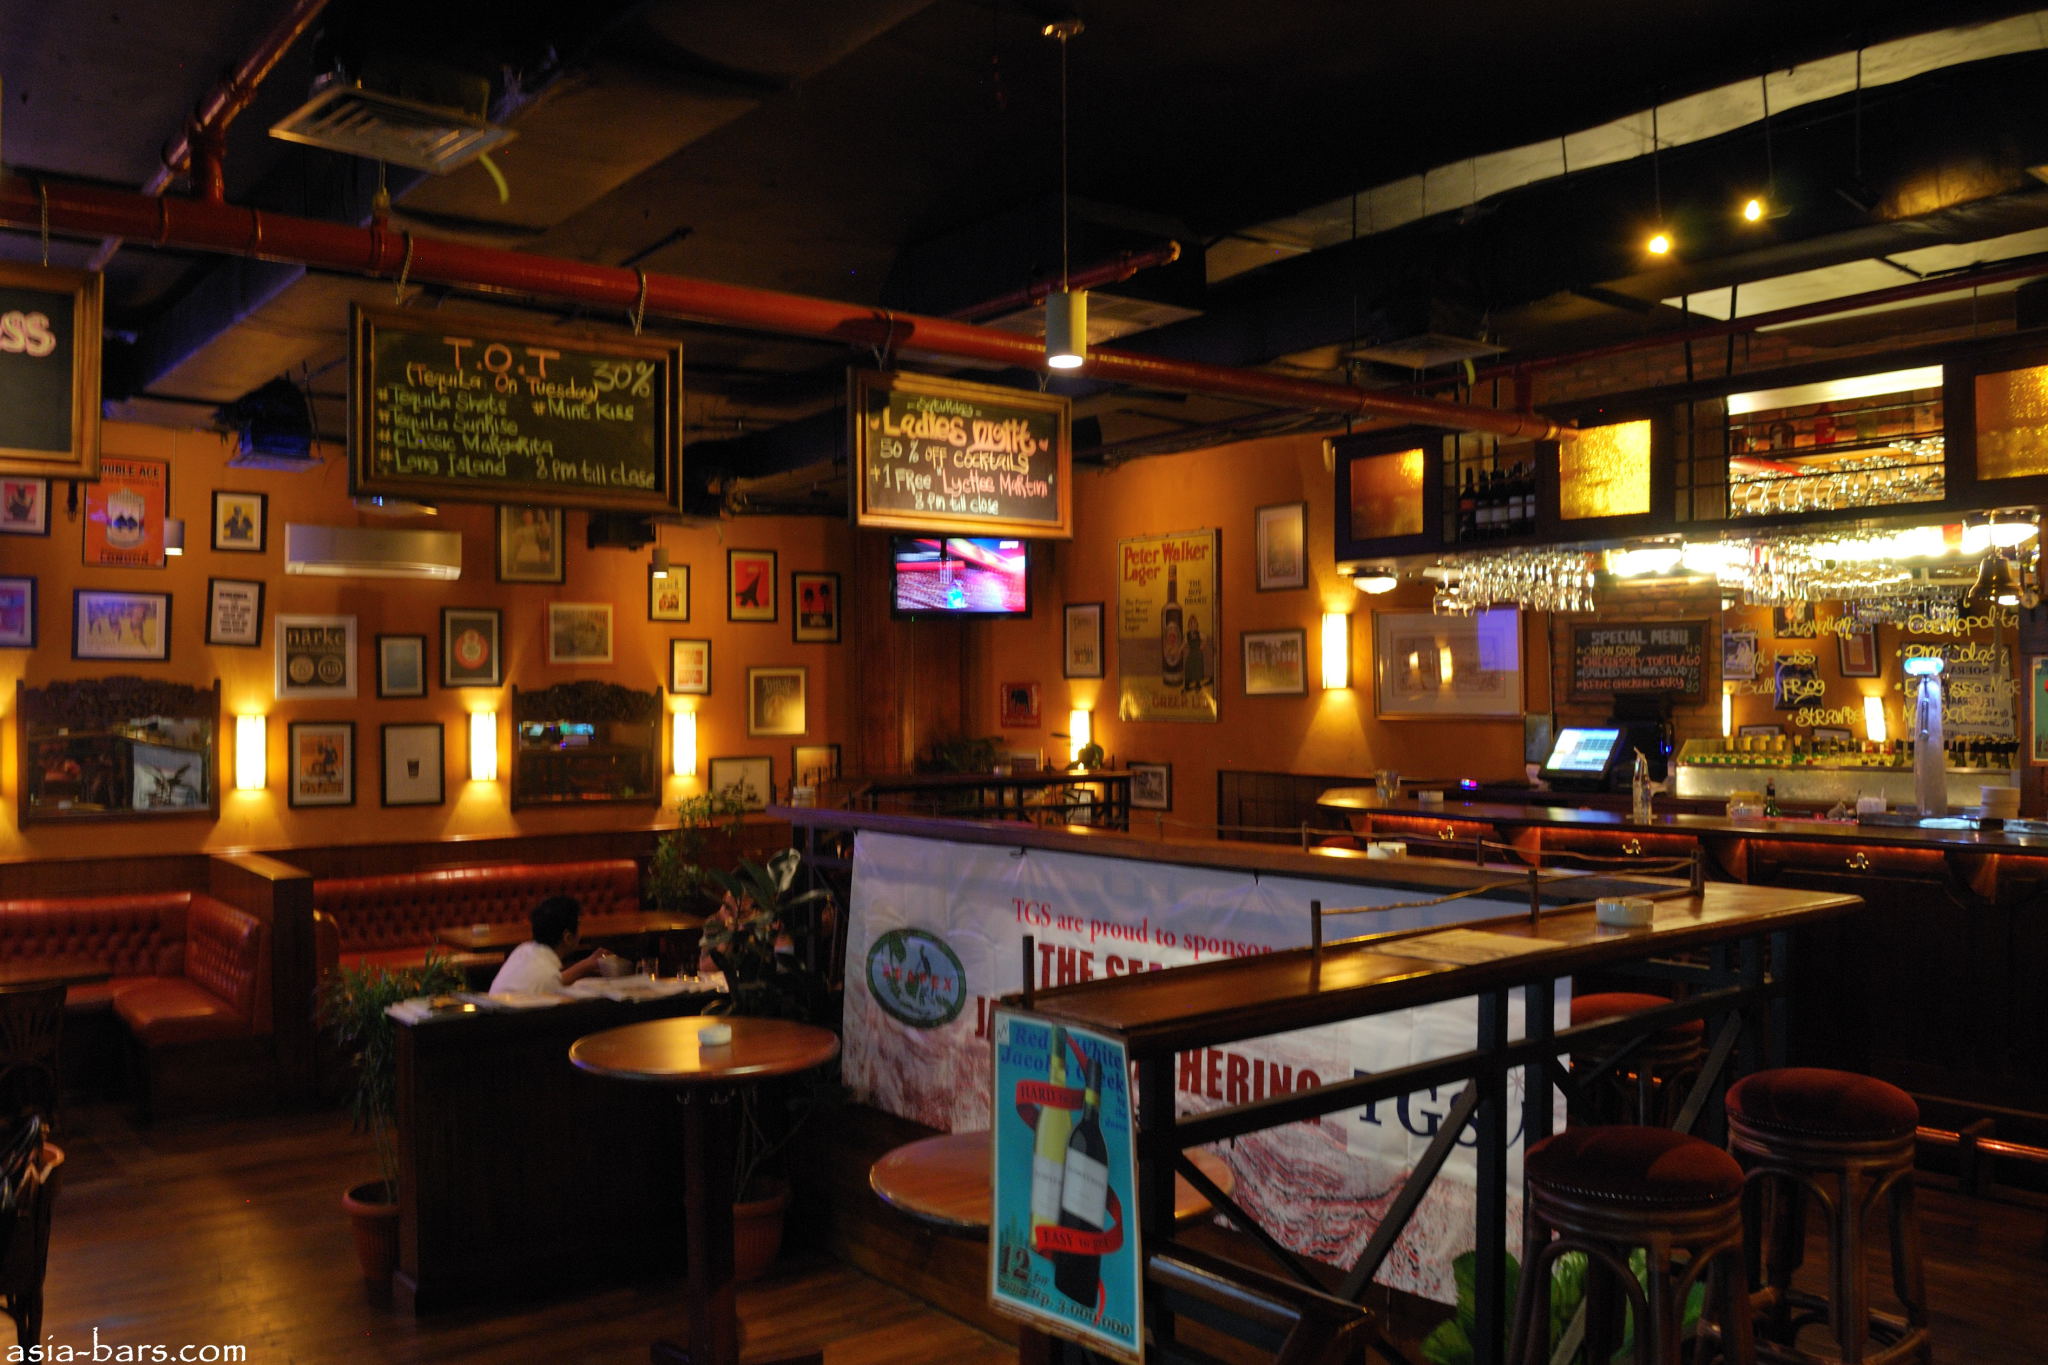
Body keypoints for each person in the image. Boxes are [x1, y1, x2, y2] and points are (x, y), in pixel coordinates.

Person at [488, 895, 616, 994]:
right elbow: (549, 981)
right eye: (579, 924)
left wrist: (587, 964)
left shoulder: (523, 950)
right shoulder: (547, 979)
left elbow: (551, 979)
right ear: (568, 937)